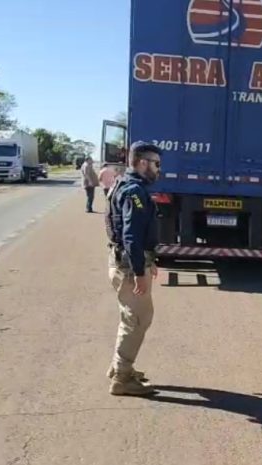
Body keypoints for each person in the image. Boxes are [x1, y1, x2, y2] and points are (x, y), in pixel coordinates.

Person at [104, 142, 161, 396]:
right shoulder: (135, 191)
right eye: (156, 164)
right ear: (142, 163)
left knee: (130, 318)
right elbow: (130, 235)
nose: (159, 169)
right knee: (137, 320)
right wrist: (139, 272)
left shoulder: (122, 183)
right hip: (128, 267)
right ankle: (122, 378)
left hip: (121, 261)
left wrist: (150, 260)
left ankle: (118, 367)